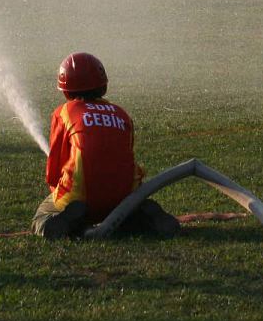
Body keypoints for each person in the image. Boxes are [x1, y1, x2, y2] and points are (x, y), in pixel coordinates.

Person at [33, 51, 180, 239]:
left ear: (66, 89)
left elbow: (53, 170)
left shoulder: (64, 112)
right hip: (123, 198)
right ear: (103, 84)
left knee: (42, 215)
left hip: (79, 198)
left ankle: (69, 223)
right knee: (125, 214)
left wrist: (58, 192)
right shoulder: (121, 114)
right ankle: (143, 214)